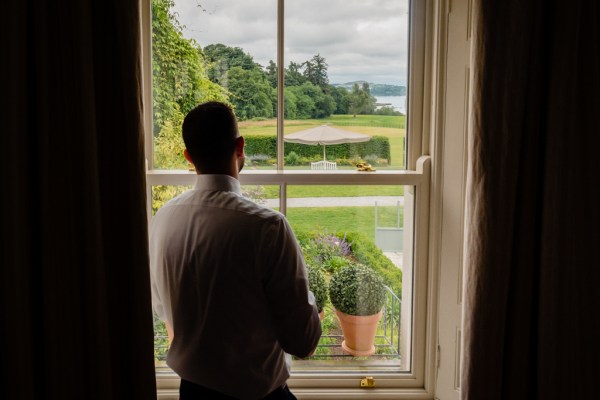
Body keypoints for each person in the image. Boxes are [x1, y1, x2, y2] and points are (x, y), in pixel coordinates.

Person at [149, 101, 322, 400]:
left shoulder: (162, 220)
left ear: (189, 157)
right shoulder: (268, 227)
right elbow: (303, 342)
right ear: (240, 146)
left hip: (191, 394)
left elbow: (164, 310)